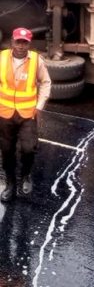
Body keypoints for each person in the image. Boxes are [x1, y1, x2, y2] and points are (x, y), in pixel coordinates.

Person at [0, 27, 51, 202]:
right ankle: (10, 183)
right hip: (5, 113)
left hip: (28, 113)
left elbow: (46, 82)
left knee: (29, 148)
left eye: (25, 42)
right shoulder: (1, 58)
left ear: (29, 44)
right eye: (18, 42)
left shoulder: (36, 60)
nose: (21, 46)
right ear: (12, 42)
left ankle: (26, 175)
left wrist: (40, 105)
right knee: (6, 151)